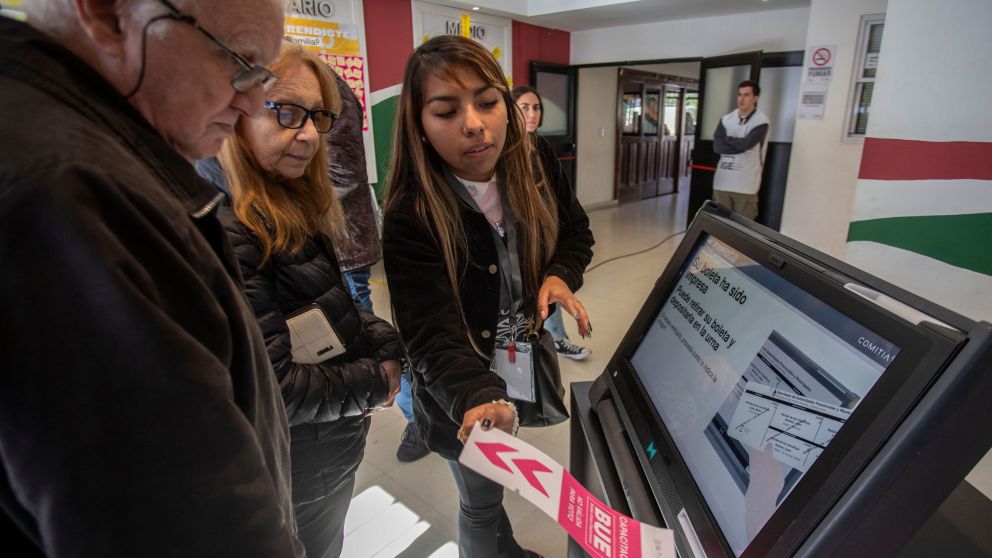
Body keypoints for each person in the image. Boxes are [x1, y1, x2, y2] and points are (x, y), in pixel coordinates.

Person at [0, 0, 304, 555]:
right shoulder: (66, 196)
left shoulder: (70, 151)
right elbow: (185, 525)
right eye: (238, 61)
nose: (250, 101)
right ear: (107, 14)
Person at [382, 36, 594, 557]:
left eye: (487, 101)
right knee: (479, 500)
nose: (474, 124)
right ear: (419, 124)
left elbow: (576, 232)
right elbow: (431, 334)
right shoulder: (413, 213)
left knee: (491, 486)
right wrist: (477, 396)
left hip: (516, 356)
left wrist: (560, 274)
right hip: (460, 385)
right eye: (446, 111)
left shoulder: (536, 161)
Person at [197, 41, 404, 558]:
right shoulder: (232, 231)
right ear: (237, 109)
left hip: (323, 452)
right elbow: (276, 388)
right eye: (286, 112)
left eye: (318, 115)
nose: (310, 134)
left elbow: (329, 304)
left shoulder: (286, 201)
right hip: (299, 469)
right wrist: (375, 379)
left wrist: (383, 339)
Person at [325, 68, 429, 462]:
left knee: (368, 339)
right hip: (322, 248)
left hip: (342, 248)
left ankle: (417, 418)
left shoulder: (326, 88)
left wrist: (287, 197)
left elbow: (345, 170)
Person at [511, 85, 592, 361]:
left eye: (536, 108)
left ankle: (558, 340)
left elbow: (577, 229)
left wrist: (560, 274)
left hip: (545, 261)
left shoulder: (542, 151)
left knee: (548, 298)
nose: (532, 114)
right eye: (525, 108)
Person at [712, 80, 770, 221]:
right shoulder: (726, 119)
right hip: (722, 182)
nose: (741, 99)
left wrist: (728, 139)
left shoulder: (761, 121)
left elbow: (746, 144)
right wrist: (738, 143)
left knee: (743, 226)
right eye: (739, 95)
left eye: (746, 95)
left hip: (746, 184)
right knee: (719, 224)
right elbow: (717, 147)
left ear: (755, 98)